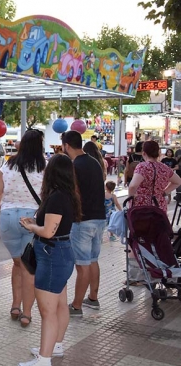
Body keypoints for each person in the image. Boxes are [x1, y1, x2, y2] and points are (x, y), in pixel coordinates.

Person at [18, 154, 81, 366]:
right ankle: (55, 346)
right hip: (60, 252)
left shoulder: (56, 198)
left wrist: (31, 227)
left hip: (51, 254)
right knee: (60, 305)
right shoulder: (67, 195)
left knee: (47, 311)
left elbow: (47, 231)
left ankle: (44, 361)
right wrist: (36, 224)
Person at [0, 129, 45, 328]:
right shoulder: (44, 167)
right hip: (31, 220)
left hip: (8, 218)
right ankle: (27, 313)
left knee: (18, 264)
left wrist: (3, 209)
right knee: (28, 268)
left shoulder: (9, 164)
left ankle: (15, 306)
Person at [61, 130, 106, 317]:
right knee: (93, 260)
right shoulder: (95, 162)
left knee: (82, 265)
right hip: (100, 218)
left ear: (67, 146)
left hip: (82, 220)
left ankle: (77, 306)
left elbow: (75, 193)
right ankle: (93, 298)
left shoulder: (74, 166)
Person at [128, 140, 181, 208]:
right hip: (159, 205)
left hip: (142, 205)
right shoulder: (165, 168)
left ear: (144, 153)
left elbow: (133, 186)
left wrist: (130, 199)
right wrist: (164, 192)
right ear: (158, 153)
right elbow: (178, 181)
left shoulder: (142, 167)